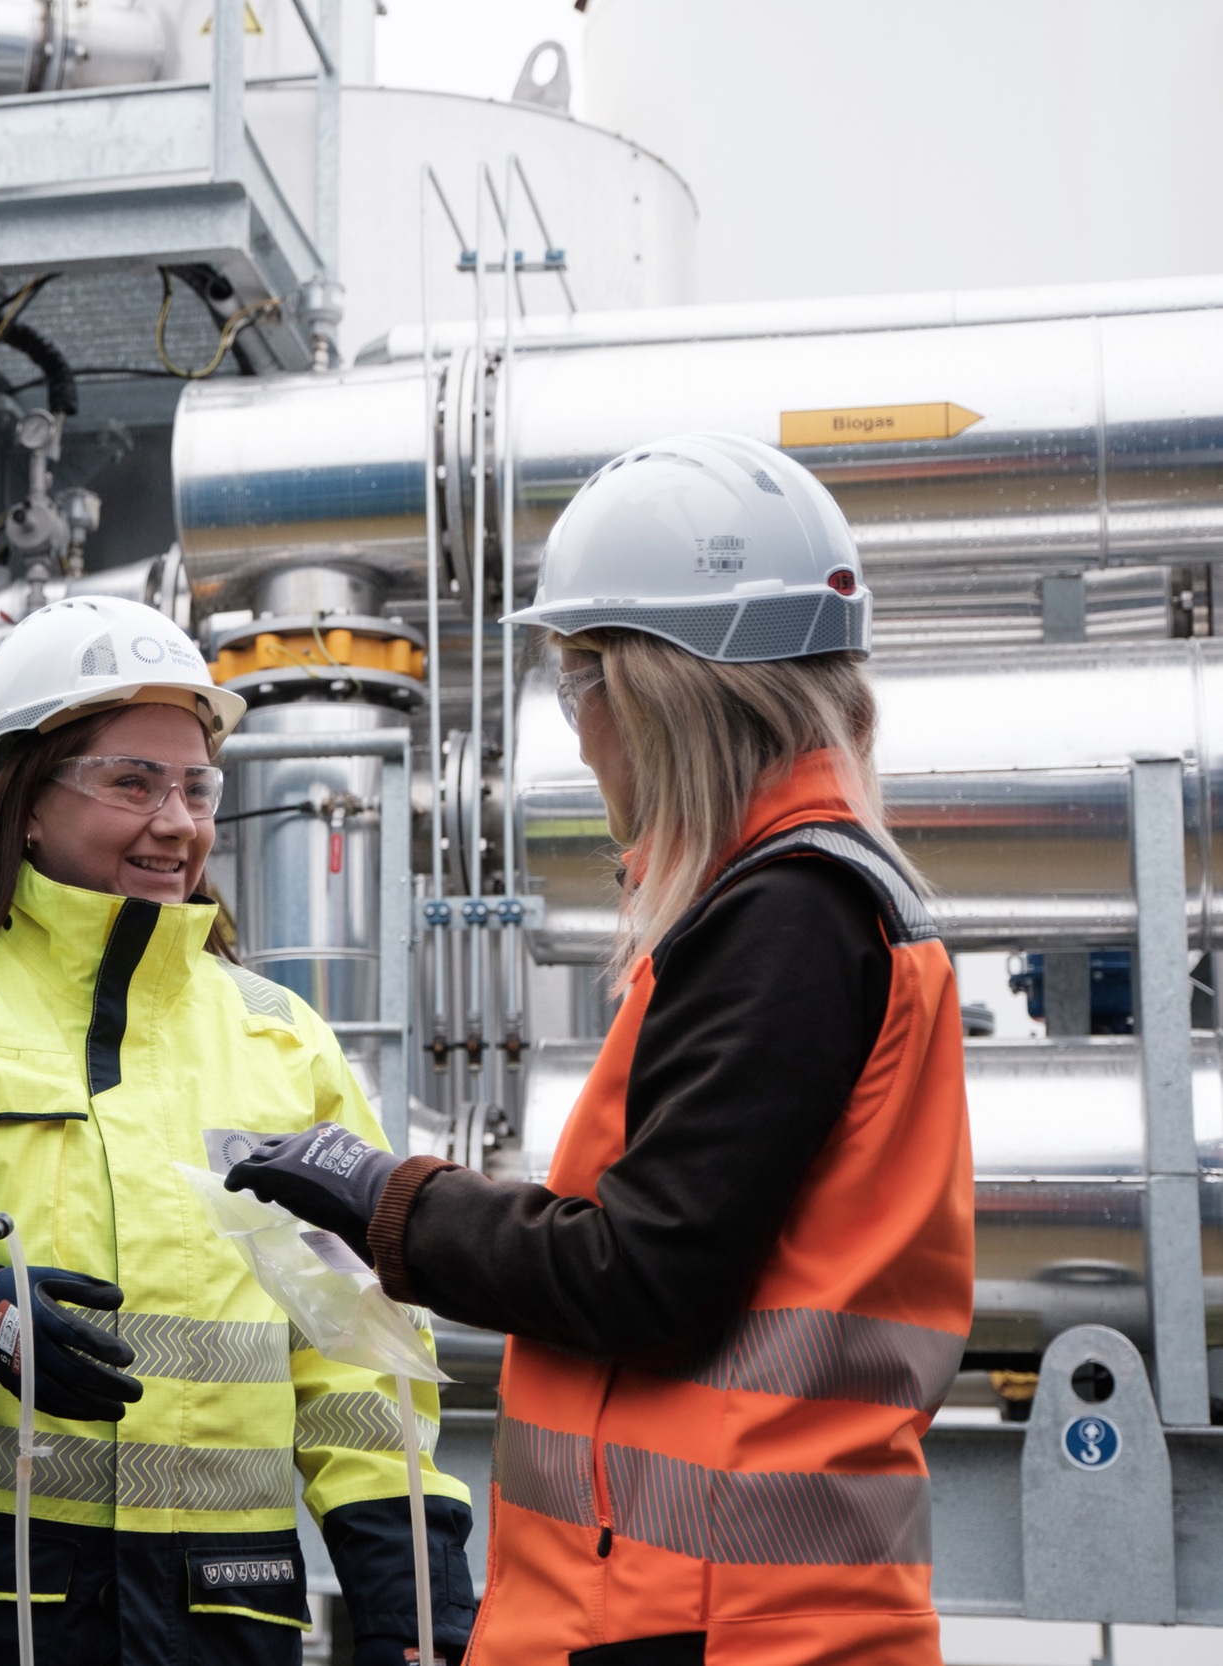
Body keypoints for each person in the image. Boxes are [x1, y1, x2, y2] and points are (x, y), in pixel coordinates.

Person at [229, 433, 974, 1666]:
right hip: (706, 1611)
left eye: (577, 683)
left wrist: (387, 1201)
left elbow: (642, 1272)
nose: (576, 733)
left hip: (708, 1620)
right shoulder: (805, 904)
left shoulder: (785, 916)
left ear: (661, 689)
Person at [0, 594, 477, 1666]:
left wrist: (414, 1604)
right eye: (131, 782)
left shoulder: (281, 1042)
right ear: (22, 799)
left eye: (196, 786)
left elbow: (360, 1358)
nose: (178, 820)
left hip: (216, 1616)